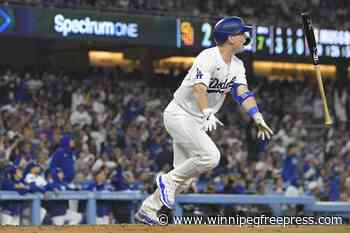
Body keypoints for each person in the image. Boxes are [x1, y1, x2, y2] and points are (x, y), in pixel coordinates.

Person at [135, 16, 273, 225]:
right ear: (230, 39)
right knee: (210, 157)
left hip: (195, 120)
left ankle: (148, 209)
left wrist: (256, 115)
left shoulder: (236, 65)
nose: (246, 37)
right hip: (180, 114)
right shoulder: (208, 57)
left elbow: (242, 92)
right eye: (241, 33)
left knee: (184, 179)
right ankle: (165, 180)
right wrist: (207, 111)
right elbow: (200, 87)